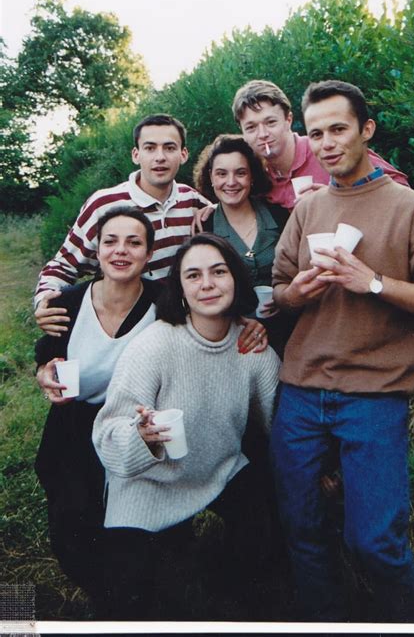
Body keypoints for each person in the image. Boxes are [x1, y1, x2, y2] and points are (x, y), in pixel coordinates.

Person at [269, 79, 414, 622]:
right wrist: (299, 292)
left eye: (339, 128)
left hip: (376, 396)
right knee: (303, 532)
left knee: (375, 544)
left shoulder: (411, 207)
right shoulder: (308, 210)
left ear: (366, 130)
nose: (328, 142)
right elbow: (280, 290)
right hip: (302, 392)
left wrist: (374, 282)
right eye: (317, 134)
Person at [92, 234, 281, 620]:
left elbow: (278, 425)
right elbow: (108, 437)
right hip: (148, 483)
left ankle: (231, 589)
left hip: (217, 468)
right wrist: (141, 438)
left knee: (267, 540)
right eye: (193, 276)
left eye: (218, 272)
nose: (207, 284)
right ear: (180, 290)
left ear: (236, 281)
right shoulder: (155, 345)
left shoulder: (253, 348)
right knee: (128, 596)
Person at [34, 206, 159, 602]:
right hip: (73, 425)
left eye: (133, 242)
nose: (121, 251)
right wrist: (44, 374)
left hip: (132, 428)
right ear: (97, 249)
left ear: (149, 254)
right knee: (72, 531)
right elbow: (45, 360)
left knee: (133, 543)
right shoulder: (67, 302)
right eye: (111, 241)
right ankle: (102, 592)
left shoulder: (166, 301)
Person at [34, 113, 210, 333]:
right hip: (123, 329)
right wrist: (44, 301)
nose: (160, 157)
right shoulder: (103, 204)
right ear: (136, 155)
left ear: (183, 154)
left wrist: (215, 208)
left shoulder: (192, 200)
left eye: (169, 148)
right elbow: (63, 266)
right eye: (150, 148)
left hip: (180, 328)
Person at [232, 79, 409, 209]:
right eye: (251, 127)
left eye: (271, 122)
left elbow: (402, 191)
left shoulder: (326, 150)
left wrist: (336, 197)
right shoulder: (256, 175)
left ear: (288, 120)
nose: (263, 134)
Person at [193, 134, 295, 357]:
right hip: (235, 342)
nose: (231, 182)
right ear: (210, 176)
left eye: (240, 173)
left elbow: (299, 270)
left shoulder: (279, 216)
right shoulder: (204, 227)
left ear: (252, 176)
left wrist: (283, 296)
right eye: (221, 173)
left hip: (290, 334)